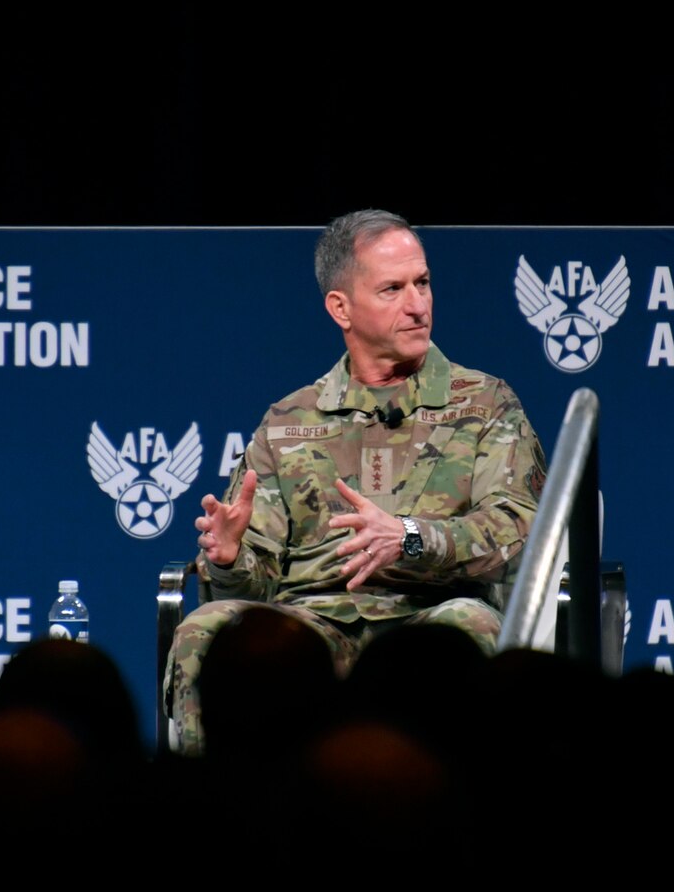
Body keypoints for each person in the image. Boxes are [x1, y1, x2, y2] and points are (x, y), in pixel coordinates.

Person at [164, 209, 548, 754]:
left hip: (427, 618)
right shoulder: (288, 420)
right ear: (340, 307)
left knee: (467, 627)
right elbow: (255, 584)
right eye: (392, 289)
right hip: (311, 627)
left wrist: (411, 537)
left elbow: (516, 527)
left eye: (423, 283)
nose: (417, 305)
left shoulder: (485, 403)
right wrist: (229, 560)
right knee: (208, 628)